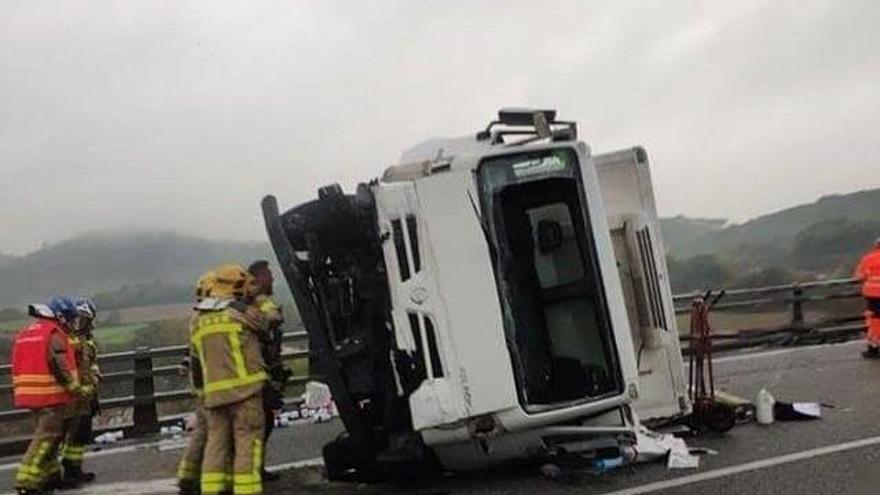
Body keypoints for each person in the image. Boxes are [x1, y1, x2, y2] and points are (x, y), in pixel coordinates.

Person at [190, 264, 268, 495]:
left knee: (215, 446)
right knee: (247, 444)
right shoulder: (242, 313)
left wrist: (201, 392)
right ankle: (247, 491)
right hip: (245, 392)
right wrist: (258, 298)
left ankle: (212, 490)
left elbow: (195, 361)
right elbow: (266, 323)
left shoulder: (200, 320)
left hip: (213, 396)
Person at [12, 296, 91, 495]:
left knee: (51, 440)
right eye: (69, 317)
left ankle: (49, 478)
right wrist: (76, 388)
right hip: (51, 396)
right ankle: (26, 482)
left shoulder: (30, 331)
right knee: (45, 440)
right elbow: (60, 365)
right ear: (60, 315)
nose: (72, 322)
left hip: (31, 394)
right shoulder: (54, 332)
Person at [247, 260, 290, 484]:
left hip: (265, 370)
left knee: (265, 422)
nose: (273, 279)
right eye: (269, 275)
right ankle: (253, 470)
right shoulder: (256, 302)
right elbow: (272, 319)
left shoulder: (256, 302)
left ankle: (257, 468)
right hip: (257, 372)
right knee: (258, 423)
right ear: (258, 278)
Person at [177, 271, 216, 495]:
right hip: (207, 385)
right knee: (209, 431)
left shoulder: (198, 315)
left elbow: (190, 350)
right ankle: (193, 479)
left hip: (202, 384)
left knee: (203, 430)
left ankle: (188, 476)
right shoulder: (205, 316)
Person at [58, 297, 101, 487]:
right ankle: (69, 469)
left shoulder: (87, 341)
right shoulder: (69, 339)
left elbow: (89, 364)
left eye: (85, 319)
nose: (81, 323)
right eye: (78, 319)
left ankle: (75, 467)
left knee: (82, 433)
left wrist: (95, 377)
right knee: (73, 433)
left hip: (87, 393)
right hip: (75, 394)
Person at [856, 238, 880, 358]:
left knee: (874, 321)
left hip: (873, 295)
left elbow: (860, 275)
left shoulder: (869, 258)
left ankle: (874, 348)